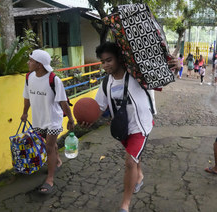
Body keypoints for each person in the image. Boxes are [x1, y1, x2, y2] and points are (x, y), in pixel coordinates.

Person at [84, 42, 179, 212]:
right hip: (122, 128)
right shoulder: (107, 82)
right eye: (103, 61)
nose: (105, 65)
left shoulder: (137, 75)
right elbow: (99, 107)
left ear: (119, 58)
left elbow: (161, 79)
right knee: (134, 156)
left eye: (109, 60)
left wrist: (174, 66)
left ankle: (125, 204)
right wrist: (87, 119)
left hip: (140, 126)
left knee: (129, 162)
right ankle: (139, 175)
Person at [21, 49, 75, 194]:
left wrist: (70, 119)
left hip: (53, 120)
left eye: (31, 60)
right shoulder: (29, 77)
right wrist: (25, 112)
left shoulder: (53, 80)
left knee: (48, 147)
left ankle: (50, 179)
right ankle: (57, 161)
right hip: (38, 119)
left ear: (39, 65)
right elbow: (27, 97)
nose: (28, 62)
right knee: (49, 143)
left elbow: (63, 102)